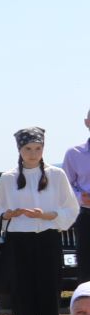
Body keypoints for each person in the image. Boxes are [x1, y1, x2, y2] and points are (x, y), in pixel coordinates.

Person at [0, 127, 81, 315]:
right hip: (18, 244)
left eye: (38, 149)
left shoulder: (56, 175)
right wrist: (7, 214)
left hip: (48, 241)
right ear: (19, 150)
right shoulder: (8, 178)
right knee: (22, 303)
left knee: (49, 301)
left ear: (43, 149)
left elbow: (72, 210)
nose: (33, 153)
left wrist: (49, 215)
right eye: (28, 149)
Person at [64, 111, 90, 272]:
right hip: (86, 217)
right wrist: (81, 197)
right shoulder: (74, 154)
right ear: (87, 122)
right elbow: (66, 186)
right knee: (86, 268)